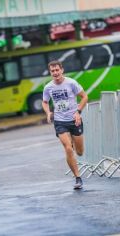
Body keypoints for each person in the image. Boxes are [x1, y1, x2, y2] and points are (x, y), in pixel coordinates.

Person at [42, 60, 88, 190]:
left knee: (79, 152)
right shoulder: (48, 87)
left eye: (57, 70)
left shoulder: (71, 83)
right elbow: (45, 102)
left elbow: (84, 97)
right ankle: (77, 178)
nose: (55, 73)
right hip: (60, 120)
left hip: (74, 119)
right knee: (68, 148)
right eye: (52, 71)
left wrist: (78, 112)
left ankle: (73, 141)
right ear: (50, 73)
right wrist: (48, 112)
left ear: (62, 70)